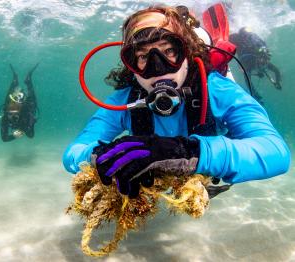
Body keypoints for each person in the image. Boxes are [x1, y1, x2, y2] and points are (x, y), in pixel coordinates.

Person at [63, 6, 290, 199]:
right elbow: (73, 153)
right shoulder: (125, 101)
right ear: (131, 64)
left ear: (187, 53)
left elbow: (276, 152)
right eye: (143, 57)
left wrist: (188, 153)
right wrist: (102, 156)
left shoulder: (217, 89)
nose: (158, 68)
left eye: (170, 51)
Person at [229, 27, 282, 102]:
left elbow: (276, 70)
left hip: (248, 45)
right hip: (240, 45)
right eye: (262, 62)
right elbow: (248, 82)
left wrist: (278, 82)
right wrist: (257, 96)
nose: (264, 65)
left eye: (264, 62)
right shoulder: (249, 64)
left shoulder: (264, 61)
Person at [0, 64, 39, 142]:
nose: (13, 112)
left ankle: (24, 80)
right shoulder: (5, 117)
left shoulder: (26, 113)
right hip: (20, 108)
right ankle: (16, 80)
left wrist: (23, 129)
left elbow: (31, 135)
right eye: (11, 109)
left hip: (26, 108)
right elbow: (4, 138)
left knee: (32, 103)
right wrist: (13, 136)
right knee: (9, 99)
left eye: (16, 109)